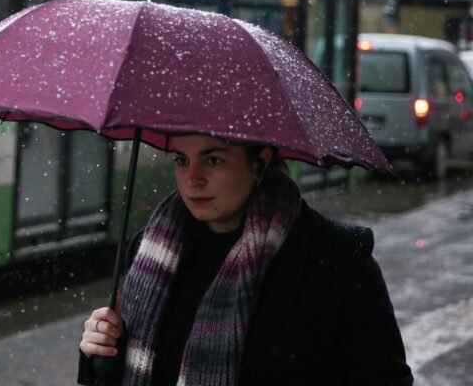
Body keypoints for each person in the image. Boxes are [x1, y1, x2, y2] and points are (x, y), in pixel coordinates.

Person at [78, 134, 413, 386]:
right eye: (181, 160)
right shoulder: (150, 252)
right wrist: (100, 350)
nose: (192, 178)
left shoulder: (335, 259)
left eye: (213, 160)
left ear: (260, 162)